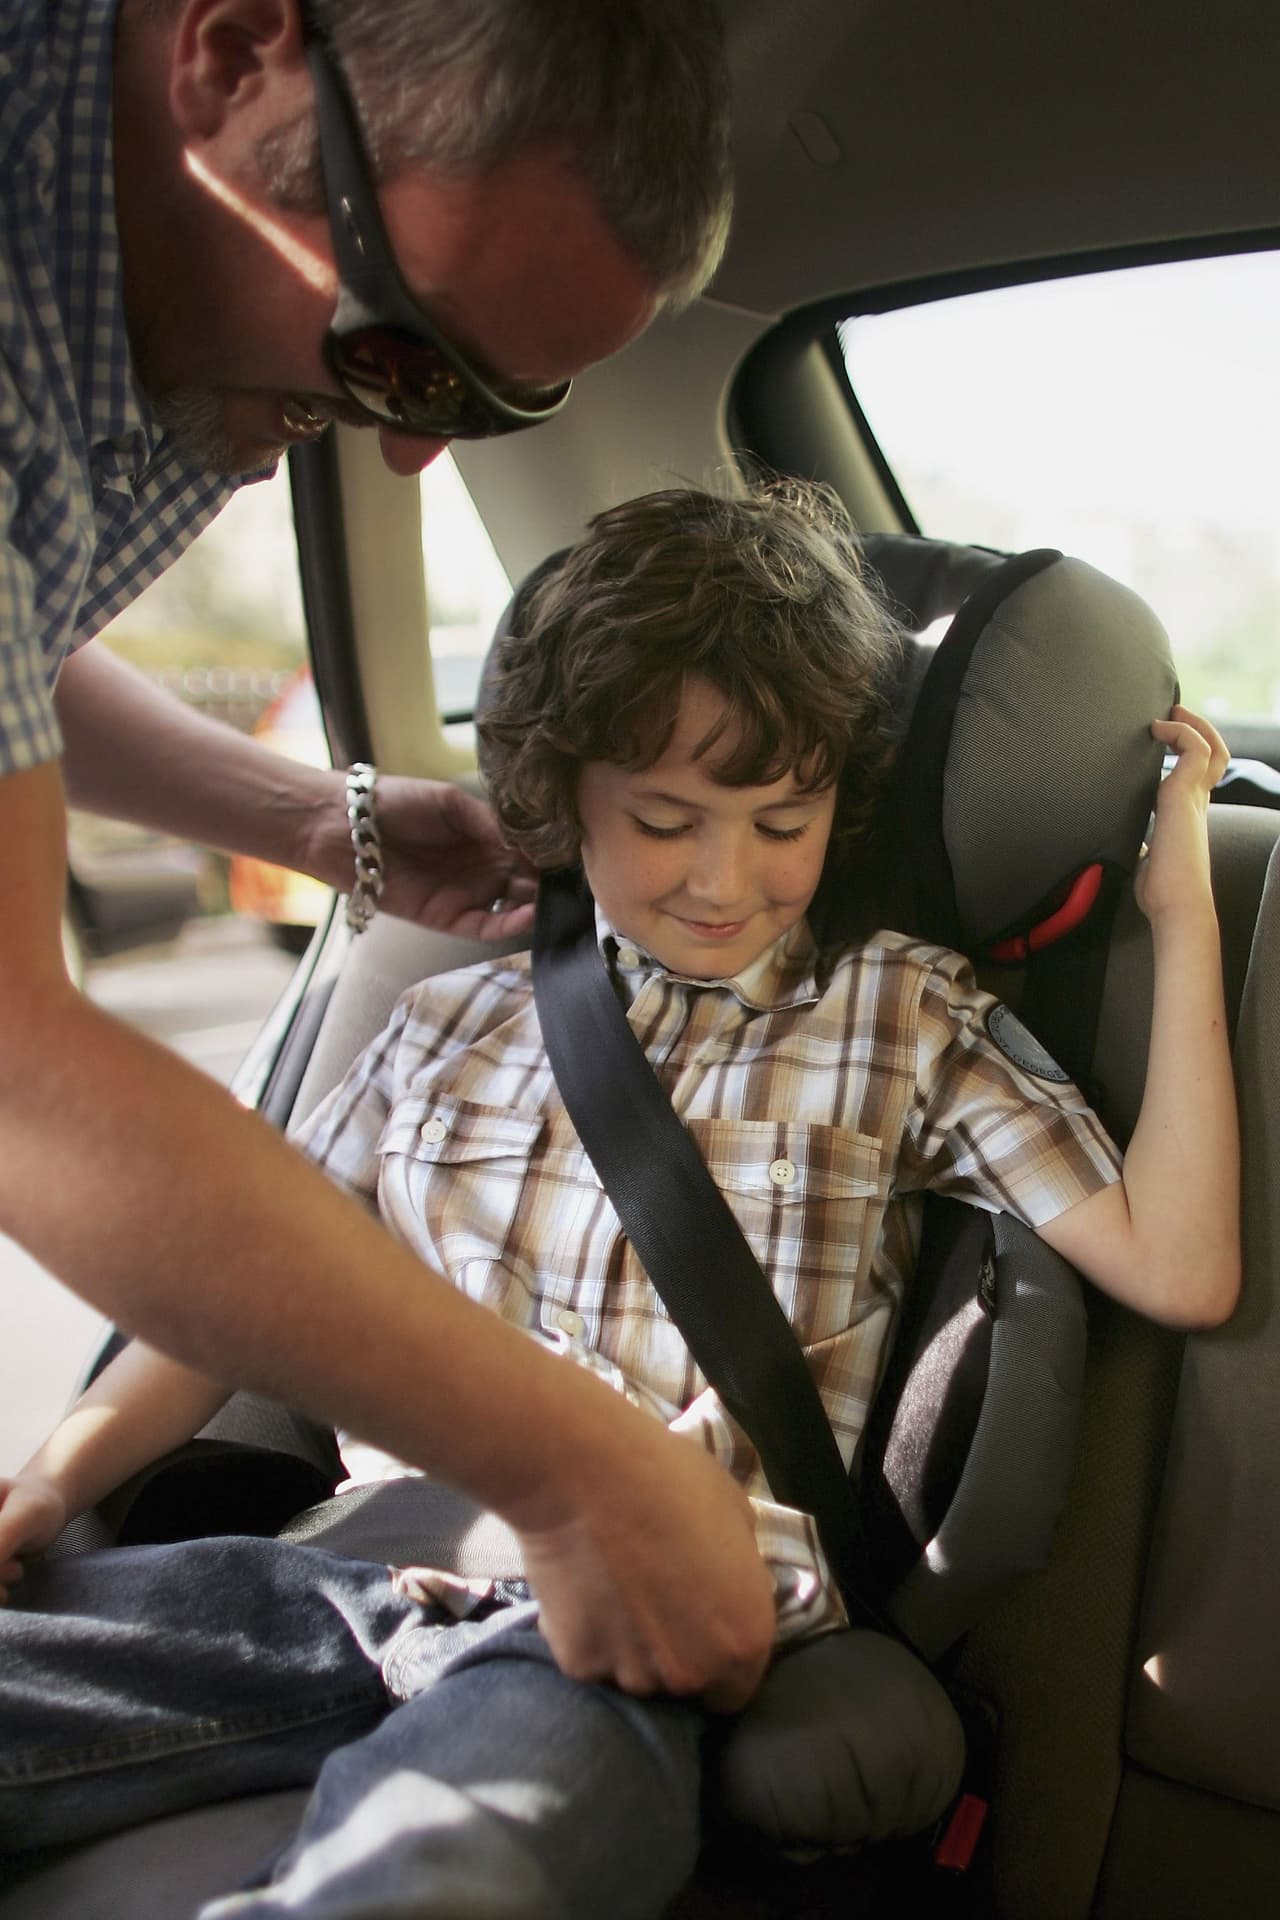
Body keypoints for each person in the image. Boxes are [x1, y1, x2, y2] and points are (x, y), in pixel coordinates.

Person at [0, 483, 1240, 1919]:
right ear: (559, 792)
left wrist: (1181, 912)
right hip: (335, 1577)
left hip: (620, 1631)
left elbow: (1181, 1265)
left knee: (436, 1876)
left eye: (785, 821)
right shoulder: (440, 1026)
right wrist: (53, 1483)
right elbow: (234, 1290)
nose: (726, 879)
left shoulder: (899, 1016)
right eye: (664, 819)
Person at [0, 0, 779, 1700]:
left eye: (499, 401)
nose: (410, 444)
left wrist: (313, 817)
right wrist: (579, 1474)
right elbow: (15, 1065)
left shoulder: (172, 314)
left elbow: (11, 660)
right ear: (234, 54)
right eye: (407, 355)